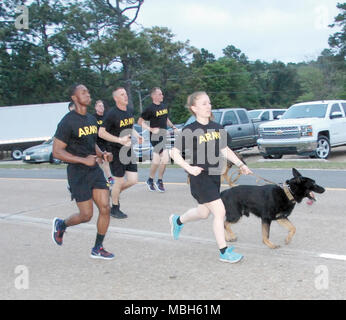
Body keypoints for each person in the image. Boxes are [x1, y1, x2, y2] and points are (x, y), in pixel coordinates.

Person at [169, 91, 253, 264]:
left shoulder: (217, 127)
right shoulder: (190, 130)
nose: (208, 106)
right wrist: (189, 168)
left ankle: (177, 220)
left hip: (215, 177)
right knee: (220, 211)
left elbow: (225, 150)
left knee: (203, 212)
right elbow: (174, 152)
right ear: (194, 108)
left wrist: (241, 165)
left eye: (209, 103)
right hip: (200, 178)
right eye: (204, 103)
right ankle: (223, 252)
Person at [52, 84, 115, 260]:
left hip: (94, 170)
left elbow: (91, 143)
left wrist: (101, 154)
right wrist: (82, 160)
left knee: (105, 207)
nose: (88, 95)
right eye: (83, 92)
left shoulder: (91, 120)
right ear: (74, 97)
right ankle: (61, 225)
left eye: (88, 91)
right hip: (77, 173)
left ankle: (98, 247)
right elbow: (56, 151)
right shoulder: (67, 122)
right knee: (86, 215)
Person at [98, 87, 142, 219]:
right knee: (119, 181)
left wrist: (137, 135)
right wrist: (119, 140)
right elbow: (101, 132)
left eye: (126, 94)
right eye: (122, 95)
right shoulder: (111, 114)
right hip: (115, 151)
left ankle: (114, 193)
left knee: (133, 180)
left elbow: (131, 126)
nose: (125, 96)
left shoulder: (129, 111)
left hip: (128, 150)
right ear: (116, 98)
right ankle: (114, 208)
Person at [138, 87, 177, 192]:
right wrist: (150, 128)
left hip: (163, 135)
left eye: (162, 94)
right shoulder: (149, 109)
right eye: (160, 94)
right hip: (155, 137)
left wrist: (173, 127)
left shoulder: (164, 106)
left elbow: (166, 118)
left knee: (156, 160)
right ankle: (159, 181)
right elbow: (140, 122)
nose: (162, 96)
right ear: (154, 96)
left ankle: (150, 179)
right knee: (165, 158)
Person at [93, 100, 114, 186]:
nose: (101, 107)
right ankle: (101, 178)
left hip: (107, 142)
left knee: (106, 160)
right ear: (95, 107)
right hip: (98, 142)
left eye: (102, 106)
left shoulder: (106, 116)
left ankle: (109, 179)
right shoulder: (93, 118)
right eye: (99, 106)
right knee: (98, 161)